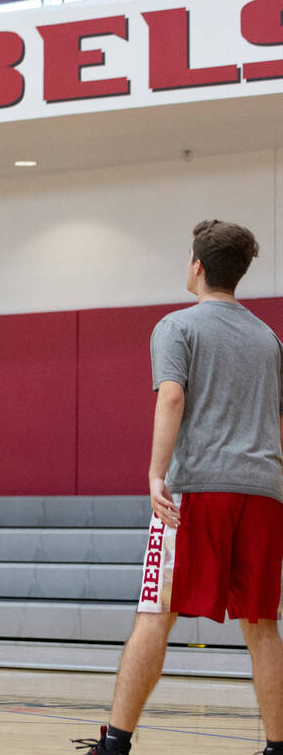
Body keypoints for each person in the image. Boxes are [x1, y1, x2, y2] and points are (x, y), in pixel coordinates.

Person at [74, 221, 283, 755]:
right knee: (262, 627)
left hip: (198, 492)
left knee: (154, 614)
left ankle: (116, 744)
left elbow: (171, 399)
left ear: (197, 267)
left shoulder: (177, 326)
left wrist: (154, 474)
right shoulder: (268, 338)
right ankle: (279, 747)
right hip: (264, 493)